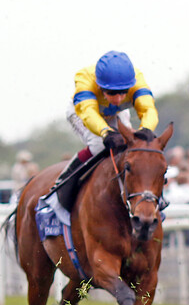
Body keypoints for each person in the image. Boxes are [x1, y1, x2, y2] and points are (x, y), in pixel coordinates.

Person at [43, 51, 158, 218]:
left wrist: (146, 128)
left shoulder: (137, 78)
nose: (118, 99)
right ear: (99, 85)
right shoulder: (84, 78)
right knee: (98, 144)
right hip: (83, 112)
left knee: (132, 145)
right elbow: (89, 113)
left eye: (123, 92)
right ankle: (62, 183)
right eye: (111, 93)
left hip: (115, 114)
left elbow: (147, 108)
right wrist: (105, 132)